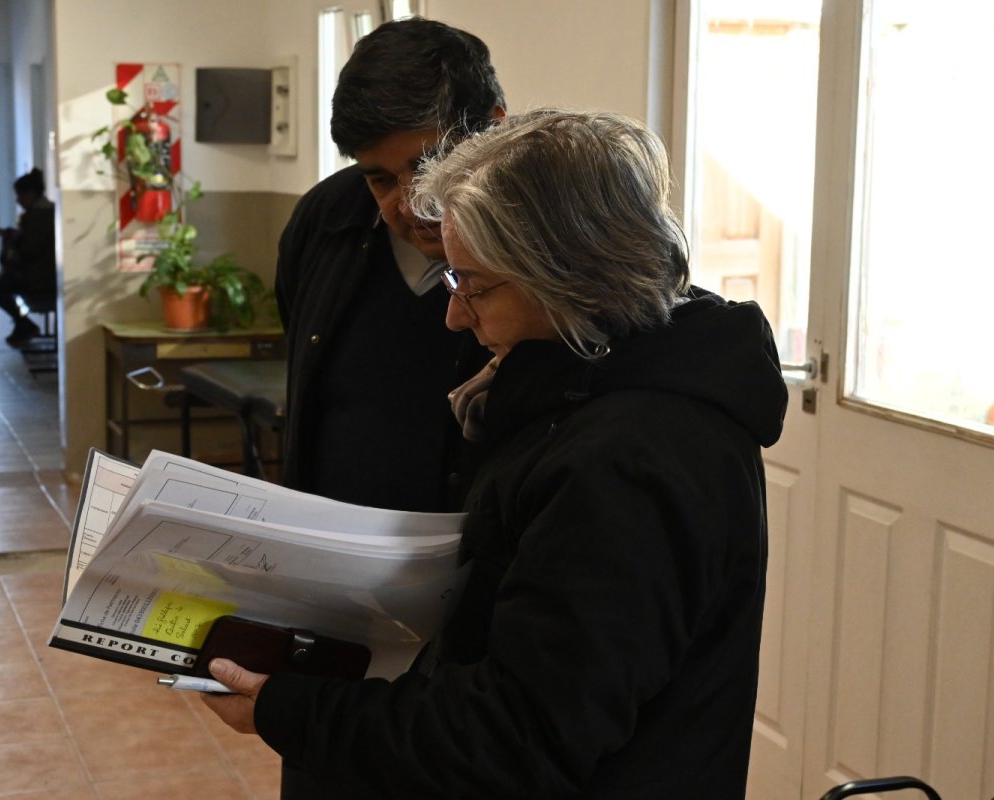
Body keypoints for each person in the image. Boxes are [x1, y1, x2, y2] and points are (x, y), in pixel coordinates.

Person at [200, 109, 789, 798]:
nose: (455, 314)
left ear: (568, 276)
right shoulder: (593, 391)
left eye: (473, 285)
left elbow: (513, 739)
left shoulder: (627, 461)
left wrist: (290, 709)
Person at [275, 16, 504, 515]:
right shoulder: (324, 219)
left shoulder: (549, 249)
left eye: (430, 166)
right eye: (380, 179)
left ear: (494, 127)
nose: (413, 202)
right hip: (327, 541)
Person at [0, 168, 57, 347]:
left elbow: (29, 250)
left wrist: (13, 240)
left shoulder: (39, 216)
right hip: (39, 273)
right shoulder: (43, 213)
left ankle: (23, 324)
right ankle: (21, 323)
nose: (18, 200)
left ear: (31, 194)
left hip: (41, 277)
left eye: (20, 195)